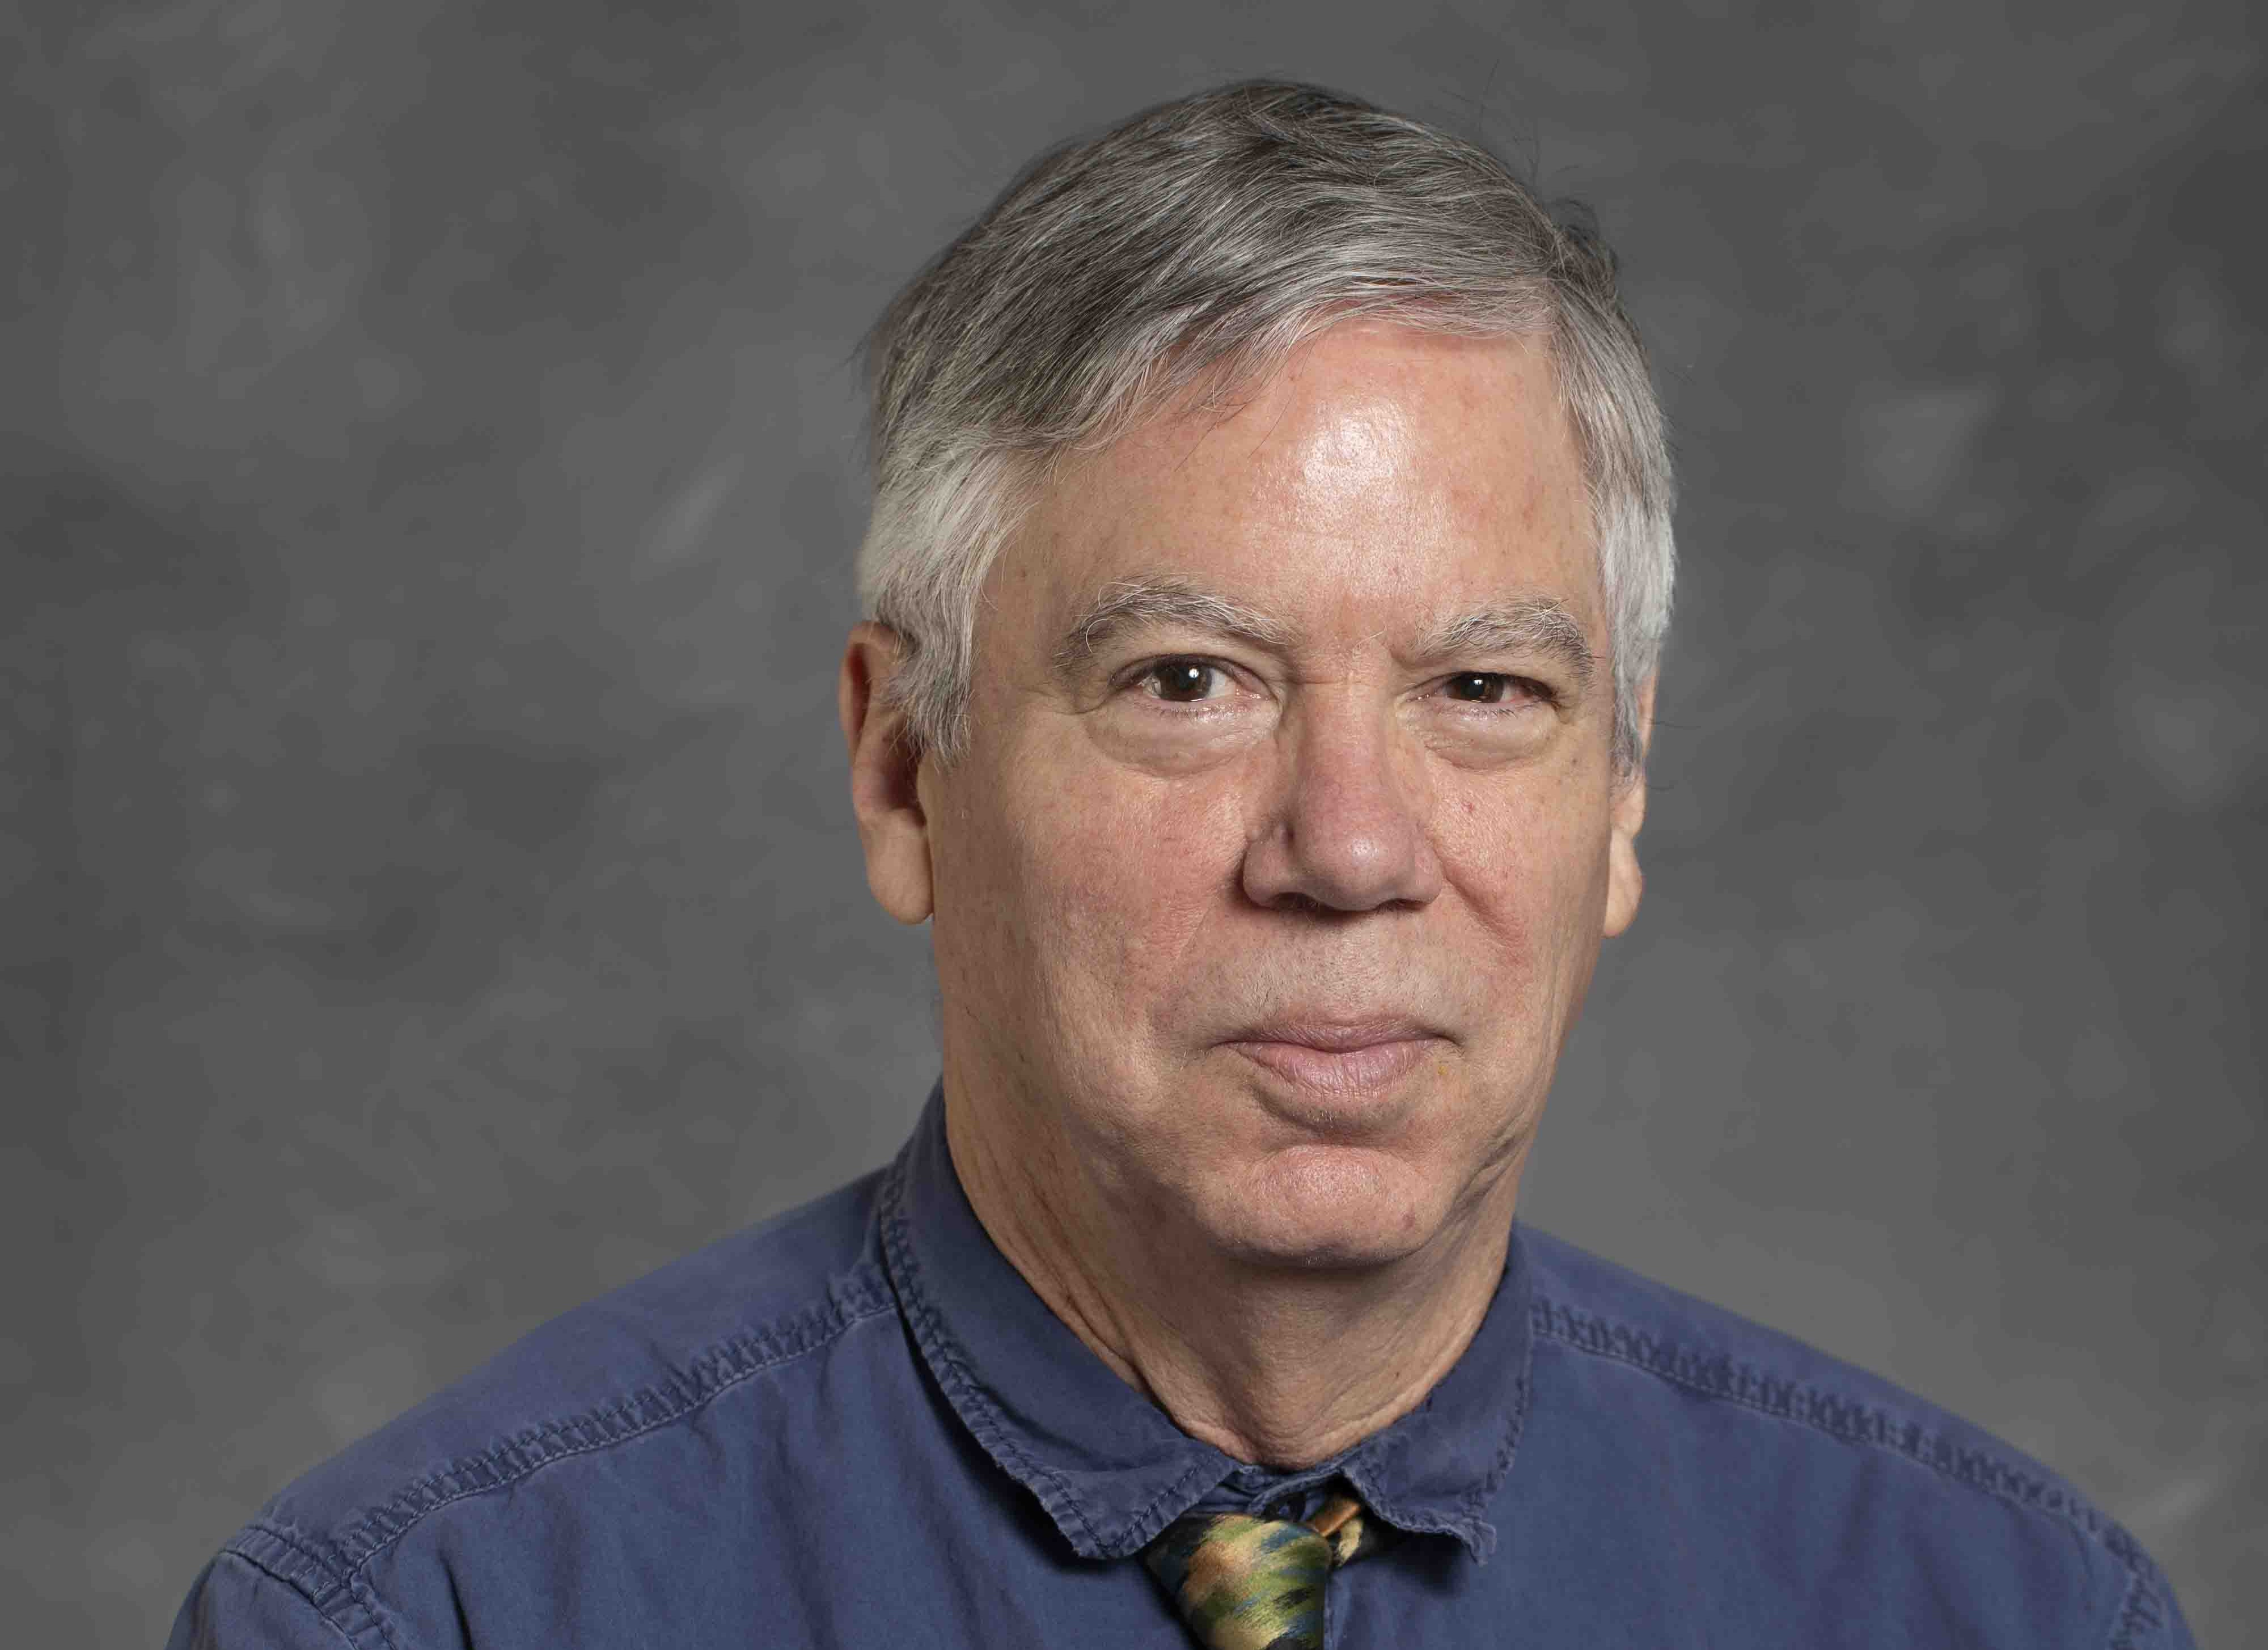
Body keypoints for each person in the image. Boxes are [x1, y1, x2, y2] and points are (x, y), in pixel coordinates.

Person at [168, 80, 2194, 1650]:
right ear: (902, 769)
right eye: (1190, 680)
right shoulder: (428, 1617)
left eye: (1484, 689)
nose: (1352, 847)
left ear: (1627, 795)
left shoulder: (2002, 1617)